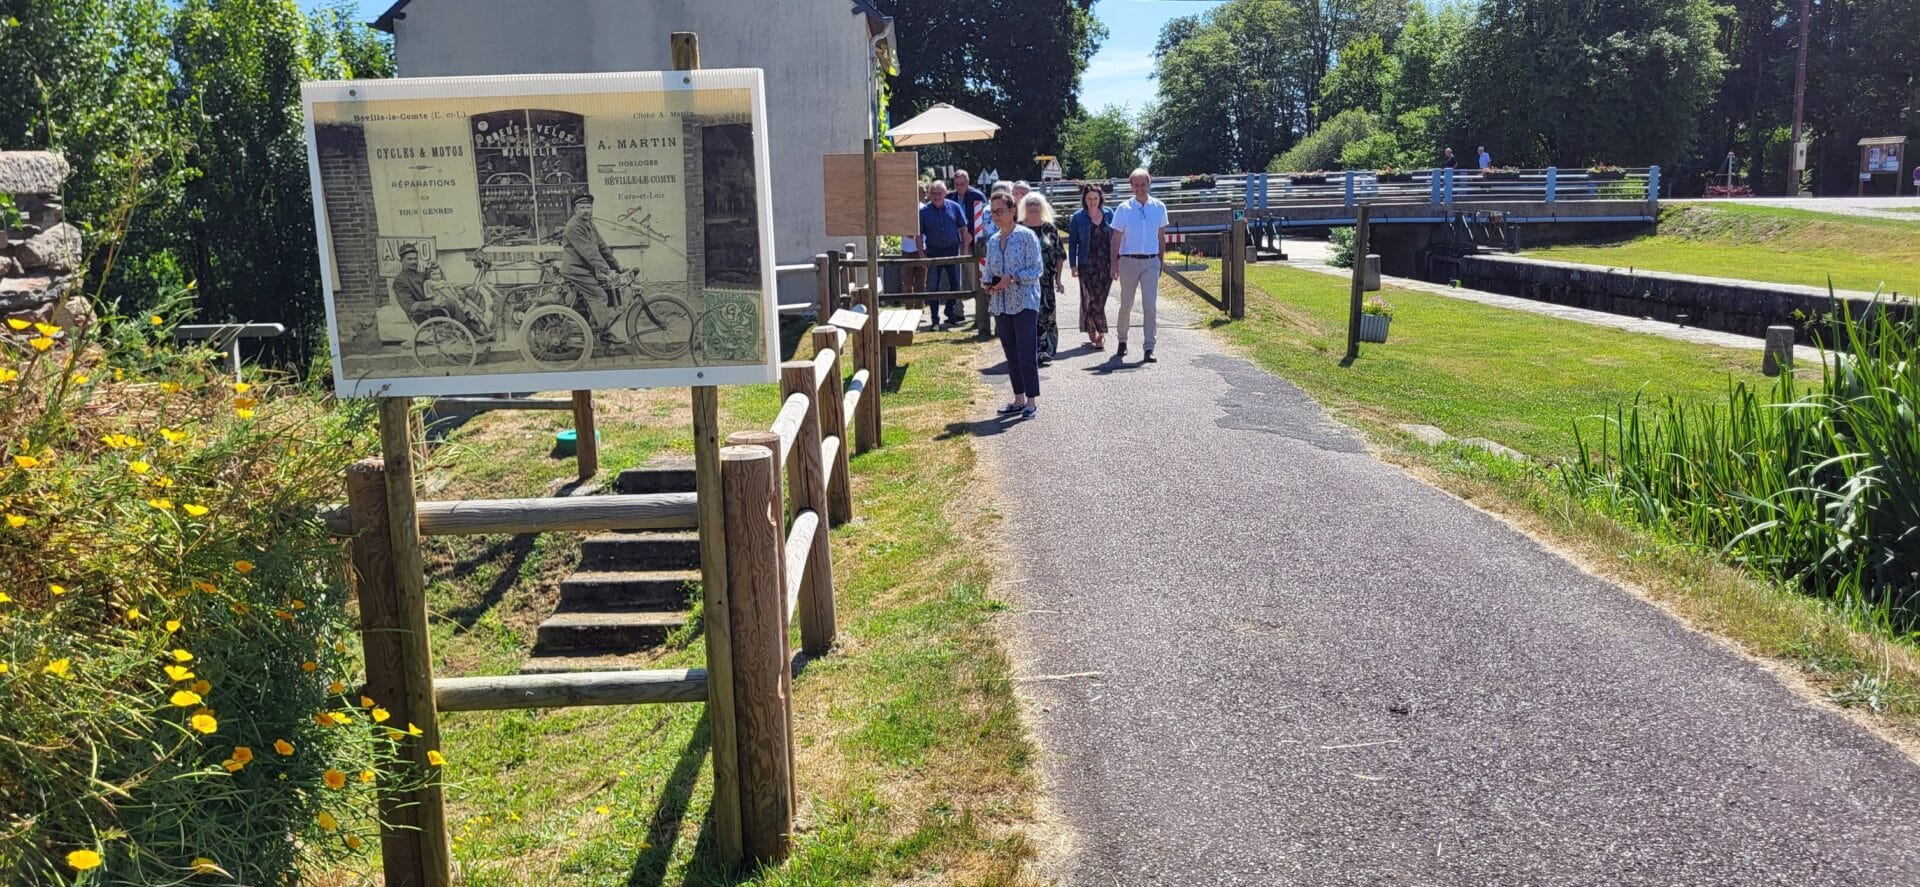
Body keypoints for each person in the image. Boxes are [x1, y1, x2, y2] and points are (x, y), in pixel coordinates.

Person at [984, 192, 1042, 418]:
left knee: (1026, 352)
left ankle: (1031, 400)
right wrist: (988, 283)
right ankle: (1018, 398)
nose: (996, 216)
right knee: (1011, 352)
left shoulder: (1027, 236)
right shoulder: (992, 240)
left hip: (1024, 300)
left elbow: (1036, 270)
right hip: (1001, 302)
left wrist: (1013, 278)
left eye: (1000, 211)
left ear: (1012, 211)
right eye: (993, 212)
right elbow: (989, 268)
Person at [1108, 167, 1168, 364]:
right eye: (1137, 185)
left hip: (1151, 261)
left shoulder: (1159, 207)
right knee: (1126, 304)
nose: (1140, 188)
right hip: (1128, 261)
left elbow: (1161, 237)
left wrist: (1161, 260)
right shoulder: (1123, 209)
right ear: (1131, 187)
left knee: (1150, 306)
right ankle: (1122, 340)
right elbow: (1116, 239)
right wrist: (1113, 264)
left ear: (1149, 184)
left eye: (1144, 184)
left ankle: (1149, 347)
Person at [560, 193, 621, 337]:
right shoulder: (574, 226)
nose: (587, 210)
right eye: (582, 207)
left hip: (584, 270)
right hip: (575, 270)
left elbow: (602, 247)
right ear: (576, 210)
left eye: (589, 207)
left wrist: (617, 267)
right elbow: (589, 252)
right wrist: (607, 271)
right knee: (599, 296)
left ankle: (589, 332)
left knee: (586, 301)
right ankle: (605, 333)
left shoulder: (589, 225)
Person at [1068, 182, 1115, 350]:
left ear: (1100, 199)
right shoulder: (1078, 217)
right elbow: (1073, 243)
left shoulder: (1109, 214)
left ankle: (1091, 326)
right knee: (1092, 298)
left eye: (1095, 198)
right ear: (1085, 199)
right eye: (1089, 199)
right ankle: (1099, 333)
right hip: (1086, 264)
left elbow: (1116, 239)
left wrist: (1117, 261)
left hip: (1106, 263)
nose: (1092, 201)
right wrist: (1072, 265)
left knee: (1100, 299)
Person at [1020, 192, 1064, 366]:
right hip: (1024, 282)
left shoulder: (1050, 229)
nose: (1033, 207)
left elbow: (1060, 255)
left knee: (1048, 316)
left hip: (1046, 281)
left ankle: (1046, 351)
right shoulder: (1019, 229)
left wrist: (1059, 280)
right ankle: (1031, 351)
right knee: (1029, 316)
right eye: (1029, 204)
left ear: (1042, 206)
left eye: (1036, 204)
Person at [918, 180, 970, 327]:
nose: (937, 197)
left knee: (955, 285)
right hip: (934, 252)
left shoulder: (955, 207)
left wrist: (965, 251)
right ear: (929, 195)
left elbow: (964, 230)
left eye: (939, 193)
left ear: (945, 193)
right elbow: (919, 235)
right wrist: (922, 254)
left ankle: (949, 310)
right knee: (933, 287)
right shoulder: (923, 212)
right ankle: (935, 319)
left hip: (952, 251)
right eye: (933, 194)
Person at [392, 243, 476, 331]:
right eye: (409, 259)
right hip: (424, 314)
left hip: (437, 308)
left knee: (466, 294)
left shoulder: (422, 274)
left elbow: (442, 283)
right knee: (451, 302)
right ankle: (470, 329)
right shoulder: (400, 281)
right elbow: (409, 305)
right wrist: (432, 303)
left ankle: (474, 323)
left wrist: (457, 290)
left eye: (415, 259)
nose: (413, 262)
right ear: (401, 261)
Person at [902, 181, 927, 299]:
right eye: (923, 192)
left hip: (922, 248)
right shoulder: (906, 208)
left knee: (921, 281)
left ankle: (919, 307)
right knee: (907, 281)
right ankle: (908, 306)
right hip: (908, 249)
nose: (925, 195)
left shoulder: (925, 208)